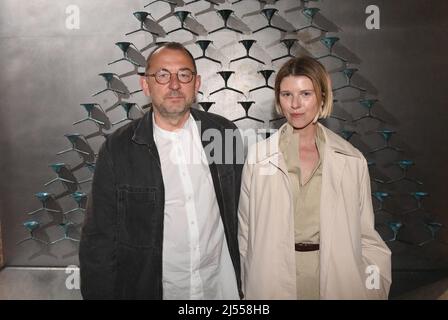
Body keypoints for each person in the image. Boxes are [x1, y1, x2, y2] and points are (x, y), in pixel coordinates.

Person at [79, 42, 243, 300]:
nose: (175, 84)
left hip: (218, 289)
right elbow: (98, 240)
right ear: (146, 85)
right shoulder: (119, 149)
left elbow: (240, 212)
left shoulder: (222, 134)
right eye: (163, 75)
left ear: (197, 83)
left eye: (184, 75)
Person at [238, 56, 392, 299]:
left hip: (337, 280)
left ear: (322, 96)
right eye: (286, 94)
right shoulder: (258, 158)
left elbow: (366, 237)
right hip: (272, 280)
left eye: (305, 94)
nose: (295, 104)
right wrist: (251, 289)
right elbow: (245, 236)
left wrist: (374, 290)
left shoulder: (351, 160)